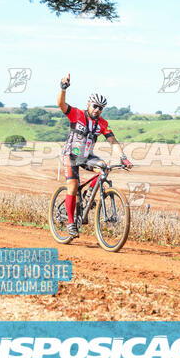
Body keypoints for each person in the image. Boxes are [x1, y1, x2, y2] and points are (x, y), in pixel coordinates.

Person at [57, 73, 133, 237]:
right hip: (71, 155)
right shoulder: (77, 114)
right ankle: (71, 223)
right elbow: (61, 105)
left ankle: (88, 195)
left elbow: (113, 141)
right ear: (88, 104)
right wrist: (63, 89)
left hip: (86, 156)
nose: (97, 110)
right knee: (72, 186)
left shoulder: (103, 123)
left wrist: (123, 157)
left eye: (101, 108)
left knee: (104, 167)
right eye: (95, 106)